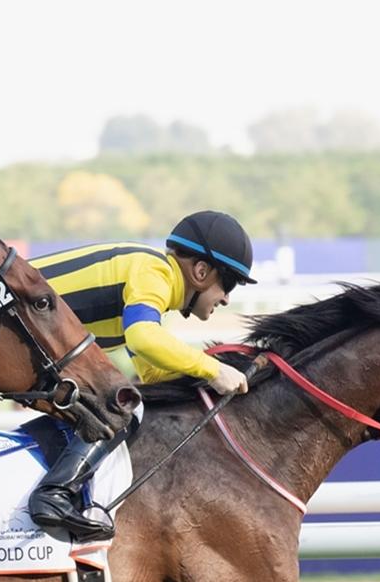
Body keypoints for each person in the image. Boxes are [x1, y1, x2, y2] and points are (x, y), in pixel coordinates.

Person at [24, 210, 255, 540]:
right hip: (8, 328)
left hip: (20, 335)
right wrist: (213, 369)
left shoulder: (151, 287)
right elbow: (143, 337)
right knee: (121, 404)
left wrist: (214, 376)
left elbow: (152, 373)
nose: (228, 298)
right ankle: (54, 495)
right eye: (229, 282)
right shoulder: (154, 270)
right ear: (201, 271)